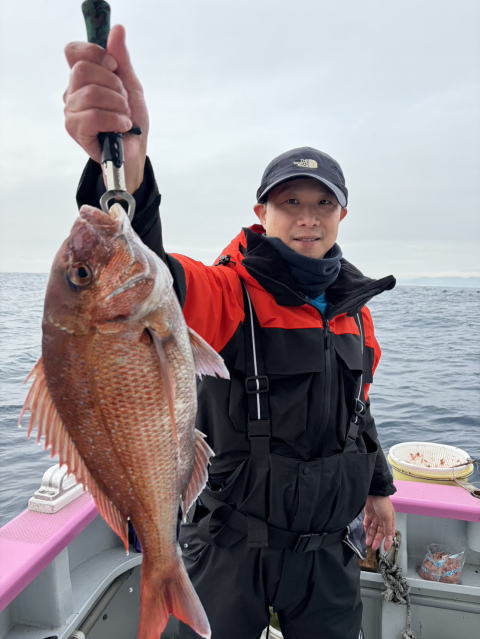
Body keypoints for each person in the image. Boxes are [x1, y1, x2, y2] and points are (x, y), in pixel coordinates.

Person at [64, 25, 397, 639]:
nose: (307, 218)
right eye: (289, 203)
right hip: (230, 550)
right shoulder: (228, 291)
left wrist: (380, 490)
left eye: (322, 204)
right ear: (260, 213)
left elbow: (359, 412)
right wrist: (127, 170)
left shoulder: (355, 310)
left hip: (327, 555)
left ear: (342, 214)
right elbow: (150, 274)